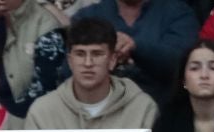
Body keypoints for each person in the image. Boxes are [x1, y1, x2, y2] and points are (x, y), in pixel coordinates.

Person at [22, 15, 160, 128]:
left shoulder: (143, 108)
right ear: (70, 61)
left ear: (112, 60)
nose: (88, 63)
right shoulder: (42, 112)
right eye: (80, 54)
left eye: (97, 54)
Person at [69, 0, 199, 106]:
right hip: (98, 113)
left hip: (162, 115)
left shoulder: (178, 13)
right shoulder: (87, 16)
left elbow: (183, 64)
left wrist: (135, 48)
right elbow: (68, 71)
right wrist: (106, 56)